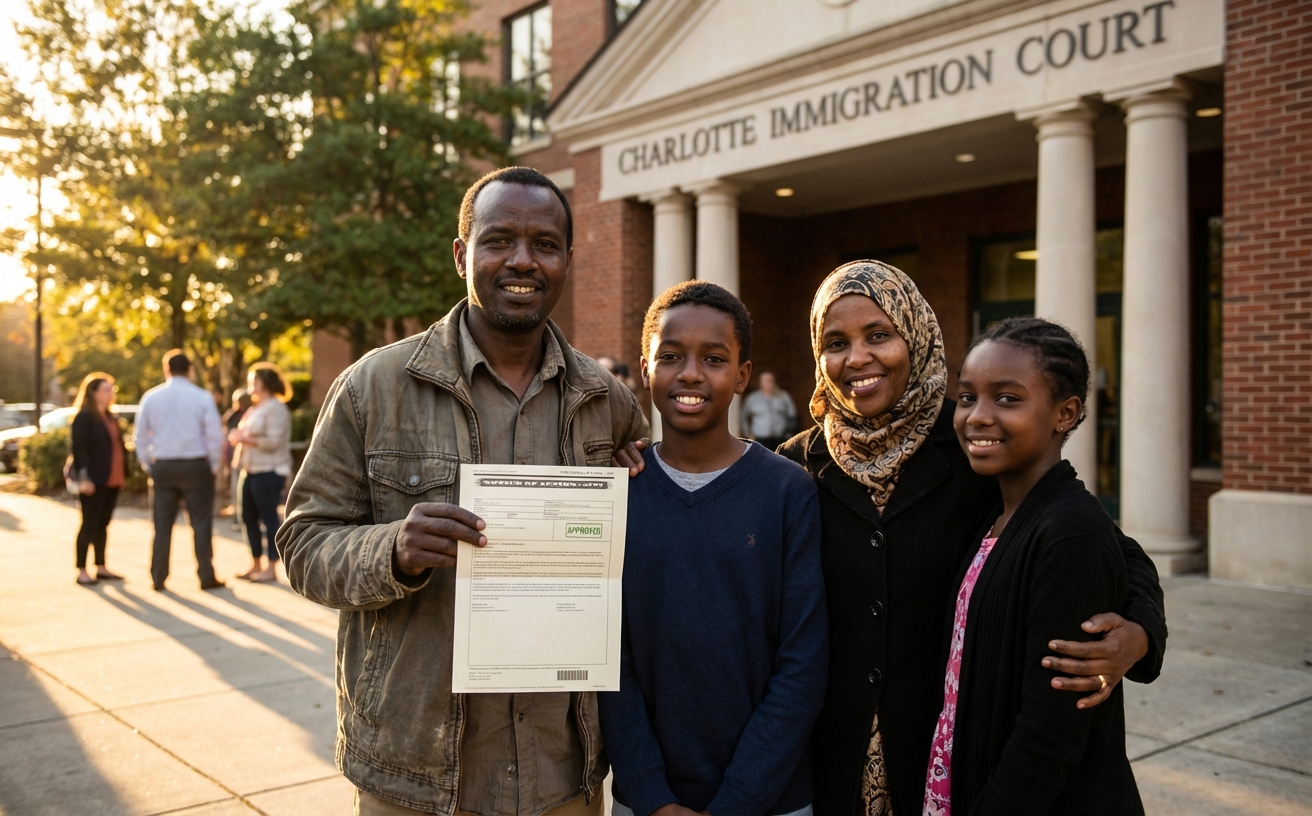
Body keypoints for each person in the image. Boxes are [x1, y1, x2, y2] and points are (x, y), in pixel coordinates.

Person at [277, 166, 649, 816]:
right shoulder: (374, 387)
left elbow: (640, 534)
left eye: (545, 244)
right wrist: (394, 550)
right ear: (462, 253)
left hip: (562, 774)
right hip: (417, 776)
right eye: (499, 239)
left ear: (566, 258)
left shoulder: (604, 399)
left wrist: (633, 485)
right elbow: (304, 545)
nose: (522, 261)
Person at [775, 261, 1165, 815]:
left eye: (879, 335)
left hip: (954, 765)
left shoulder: (972, 449)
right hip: (831, 763)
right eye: (836, 342)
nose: (857, 358)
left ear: (915, 338)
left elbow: (1110, 549)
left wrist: (1141, 632)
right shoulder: (794, 468)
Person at [599, 282, 828, 816]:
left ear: (743, 375)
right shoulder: (619, 490)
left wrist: (737, 802)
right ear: (645, 368)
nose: (691, 373)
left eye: (715, 358)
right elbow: (609, 661)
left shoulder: (788, 491)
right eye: (671, 356)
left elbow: (803, 661)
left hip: (771, 798)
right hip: (647, 801)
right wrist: (652, 796)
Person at [923, 317, 1142, 815]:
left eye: (1007, 398)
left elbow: (1047, 738)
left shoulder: (1068, 532)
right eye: (967, 397)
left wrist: (1144, 629)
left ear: (1065, 413)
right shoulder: (999, 510)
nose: (977, 416)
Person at [134, 349, 226, 592]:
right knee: (201, 523)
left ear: (166, 370)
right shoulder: (202, 397)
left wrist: (148, 464)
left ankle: (158, 576)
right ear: (190, 370)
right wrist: (214, 464)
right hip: (195, 465)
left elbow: (140, 436)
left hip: (163, 465)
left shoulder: (151, 398)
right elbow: (214, 435)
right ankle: (206, 576)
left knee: (162, 525)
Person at [230, 363, 292, 583]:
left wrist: (245, 438)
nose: (250, 387)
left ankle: (272, 567)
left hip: (268, 471)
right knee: (247, 517)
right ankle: (255, 563)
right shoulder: (256, 407)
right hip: (249, 470)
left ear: (265, 383)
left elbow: (274, 443)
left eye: (253, 382)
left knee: (268, 519)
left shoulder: (276, 408)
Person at [69, 372, 126, 585]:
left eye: (112, 389)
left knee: (103, 523)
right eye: (106, 389)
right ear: (92, 393)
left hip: (112, 479)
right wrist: (83, 478)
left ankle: (101, 566)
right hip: (93, 479)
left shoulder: (110, 417)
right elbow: (78, 449)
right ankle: (82, 570)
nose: (111, 393)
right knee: (89, 523)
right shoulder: (84, 417)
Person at [742, 371, 798, 451]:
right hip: (760, 441)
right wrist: (748, 434)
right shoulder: (752, 399)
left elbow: (793, 416)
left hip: (780, 440)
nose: (768, 382)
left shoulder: (783, 396)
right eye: (765, 380)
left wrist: (789, 436)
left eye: (770, 380)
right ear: (760, 382)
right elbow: (743, 417)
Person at [221, 388, 252, 521]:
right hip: (235, 454)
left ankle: (242, 517)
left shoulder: (250, 414)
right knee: (236, 488)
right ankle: (237, 516)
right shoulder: (232, 415)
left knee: (242, 489)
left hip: (246, 456)